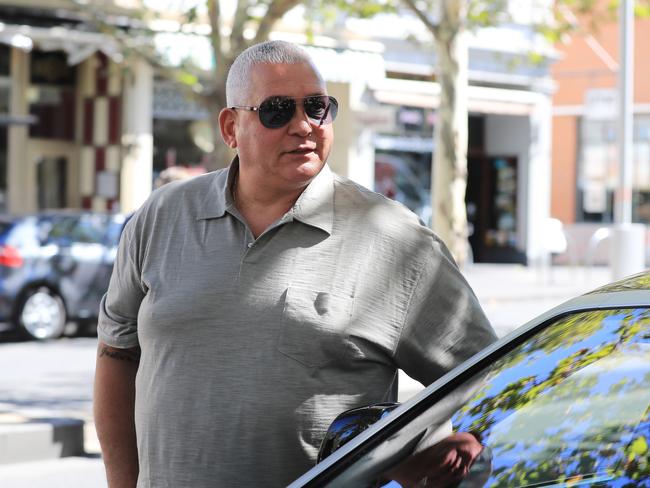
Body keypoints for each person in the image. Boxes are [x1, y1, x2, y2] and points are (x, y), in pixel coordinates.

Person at [93, 40, 497, 488]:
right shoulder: (162, 216)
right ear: (231, 127)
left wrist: (425, 448)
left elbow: (491, 380)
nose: (304, 125)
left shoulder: (394, 238)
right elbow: (116, 354)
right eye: (278, 110)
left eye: (318, 107)